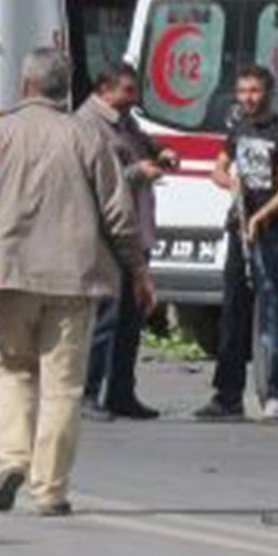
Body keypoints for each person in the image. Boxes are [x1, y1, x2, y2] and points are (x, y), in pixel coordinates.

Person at [0, 47, 143, 517]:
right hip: (72, 277)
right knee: (62, 386)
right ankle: (50, 490)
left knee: (13, 369)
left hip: (8, 272)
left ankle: (10, 460)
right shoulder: (86, 137)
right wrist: (136, 267)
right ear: (67, 88)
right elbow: (118, 212)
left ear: (25, 86)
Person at [193, 65, 278, 423]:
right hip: (239, 229)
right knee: (232, 312)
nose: (247, 98)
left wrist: (259, 217)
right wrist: (230, 184)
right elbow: (218, 168)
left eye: (254, 91)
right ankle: (227, 397)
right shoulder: (237, 128)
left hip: (270, 232)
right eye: (242, 91)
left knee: (270, 313)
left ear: (269, 92)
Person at [77, 62, 166, 421]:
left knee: (132, 315)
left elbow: (143, 145)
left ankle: (120, 392)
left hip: (134, 229)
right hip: (106, 234)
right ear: (105, 90)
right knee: (105, 318)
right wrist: (136, 173)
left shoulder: (124, 121)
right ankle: (86, 393)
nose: (134, 98)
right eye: (127, 91)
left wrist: (159, 155)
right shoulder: (88, 125)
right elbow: (94, 181)